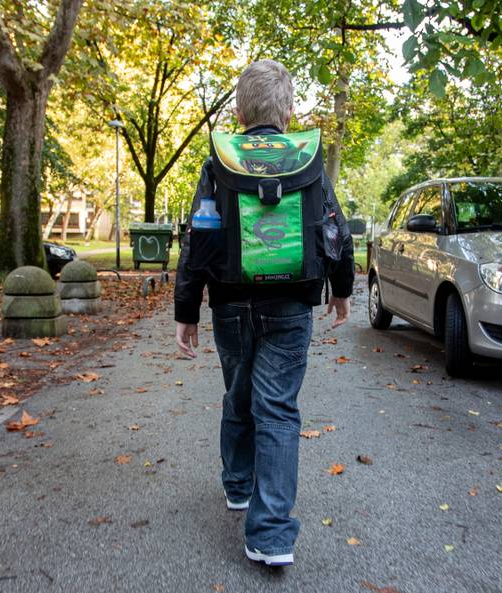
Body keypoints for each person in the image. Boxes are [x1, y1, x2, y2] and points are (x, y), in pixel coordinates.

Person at [174, 59, 355, 567]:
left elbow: (199, 239)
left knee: (238, 391)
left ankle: (237, 484)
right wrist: (342, 290)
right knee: (276, 407)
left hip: (229, 305)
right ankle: (272, 536)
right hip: (292, 305)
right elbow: (334, 228)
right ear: (290, 110)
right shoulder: (308, 158)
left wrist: (186, 310)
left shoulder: (220, 162)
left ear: (238, 109)